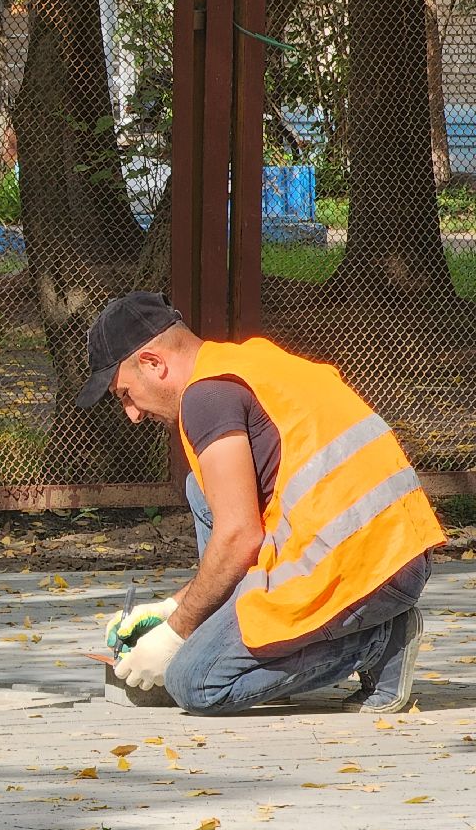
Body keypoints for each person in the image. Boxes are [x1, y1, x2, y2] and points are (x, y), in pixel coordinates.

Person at [77, 291, 444, 714]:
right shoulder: (245, 362)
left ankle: (380, 642)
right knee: (203, 488)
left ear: (154, 364)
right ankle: (270, 650)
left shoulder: (205, 397)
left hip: (365, 573)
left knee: (194, 683)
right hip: (396, 553)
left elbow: (239, 536)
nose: (133, 414)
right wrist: (172, 606)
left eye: (125, 394)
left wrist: (177, 633)